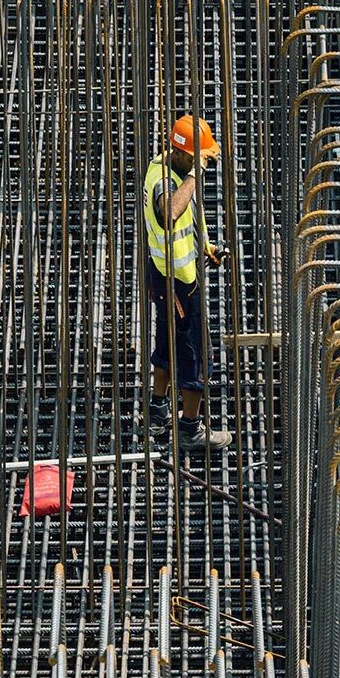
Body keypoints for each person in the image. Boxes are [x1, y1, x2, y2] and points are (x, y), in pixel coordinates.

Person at [142, 114, 231, 451]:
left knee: (165, 343)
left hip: (167, 275)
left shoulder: (165, 168)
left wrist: (204, 247)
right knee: (195, 355)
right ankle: (191, 429)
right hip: (178, 282)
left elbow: (186, 222)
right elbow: (169, 213)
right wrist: (195, 174)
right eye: (201, 157)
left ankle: (157, 409)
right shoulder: (168, 181)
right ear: (186, 155)